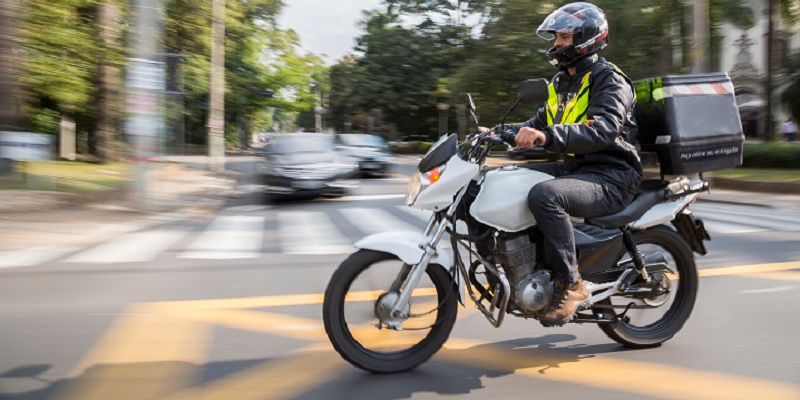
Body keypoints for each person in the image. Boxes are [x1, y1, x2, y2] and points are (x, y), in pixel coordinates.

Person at [481, 2, 642, 326]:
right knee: (497, 182)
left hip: (613, 175)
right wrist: (497, 132)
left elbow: (604, 129)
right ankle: (506, 268)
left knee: (546, 195)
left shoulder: (610, 80)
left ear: (586, 39)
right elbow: (537, 124)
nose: (556, 44)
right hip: (577, 169)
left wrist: (545, 137)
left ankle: (572, 283)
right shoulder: (560, 83)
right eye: (556, 37)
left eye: (564, 37)